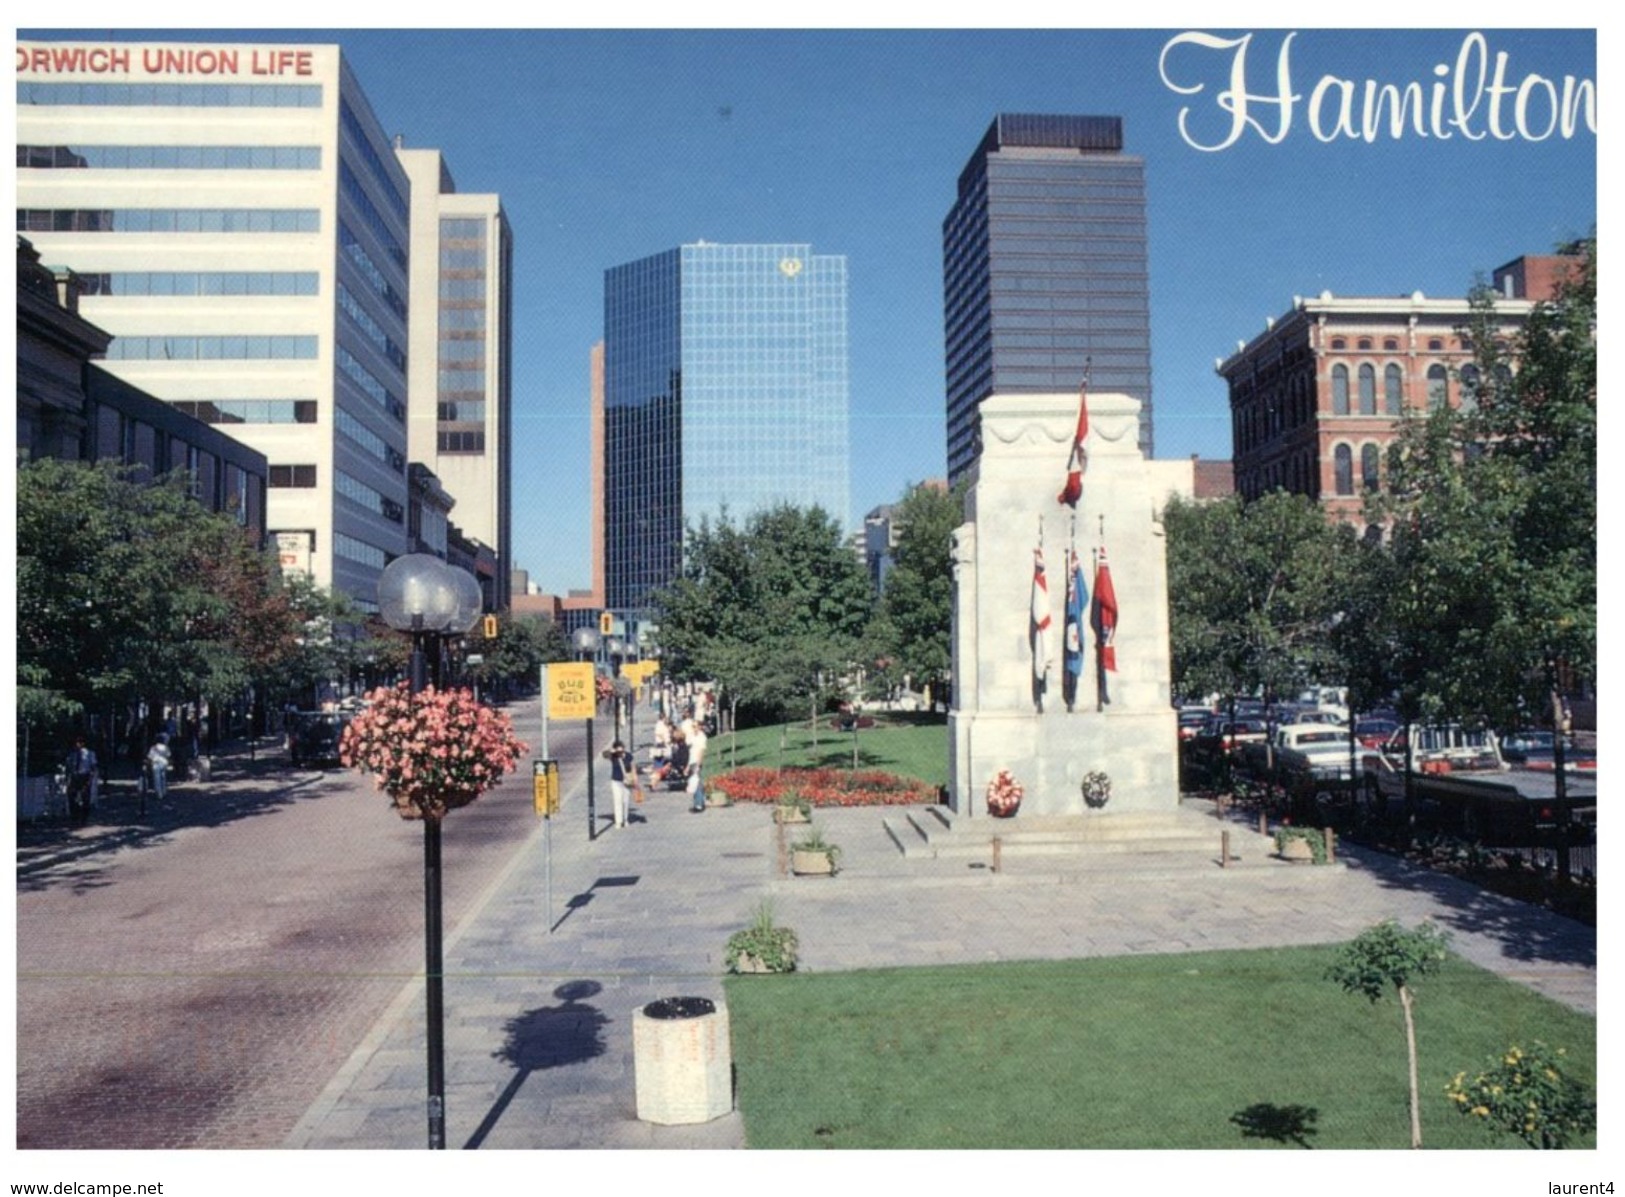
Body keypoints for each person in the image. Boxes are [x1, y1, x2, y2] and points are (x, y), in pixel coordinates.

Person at [63, 736, 98, 828]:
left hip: (84, 776)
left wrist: (90, 779)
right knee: (71, 796)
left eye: (80, 742)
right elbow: (68, 766)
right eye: (77, 742)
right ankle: (74, 817)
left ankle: (84, 819)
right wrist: (68, 778)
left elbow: (93, 767)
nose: (78, 744)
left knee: (85, 798)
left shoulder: (90, 753)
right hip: (74, 776)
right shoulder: (72, 754)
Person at [603, 738, 634, 829]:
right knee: (617, 800)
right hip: (616, 781)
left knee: (626, 801)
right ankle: (618, 821)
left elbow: (632, 767)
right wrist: (612, 751)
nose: (620, 753)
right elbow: (604, 754)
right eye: (618, 751)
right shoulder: (614, 756)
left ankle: (625, 819)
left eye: (621, 750)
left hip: (626, 782)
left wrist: (633, 779)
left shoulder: (628, 756)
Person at [684, 717, 709, 812]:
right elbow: (691, 752)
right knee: (694, 783)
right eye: (692, 726)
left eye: (695, 726)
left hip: (697, 762)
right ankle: (697, 803)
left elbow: (701, 752)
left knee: (697, 783)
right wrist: (687, 766)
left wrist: (698, 764)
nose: (693, 728)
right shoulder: (693, 737)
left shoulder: (702, 737)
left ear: (699, 727)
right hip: (692, 761)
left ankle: (699, 805)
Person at [146, 733, 172, 802]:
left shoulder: (153, 747)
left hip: (156, 764)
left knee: (157, 779)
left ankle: (159, 794)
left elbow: (150, 757)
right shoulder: (166, 747)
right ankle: (164, 791)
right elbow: (168, 755)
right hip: (164, 763)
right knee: (163, 778)